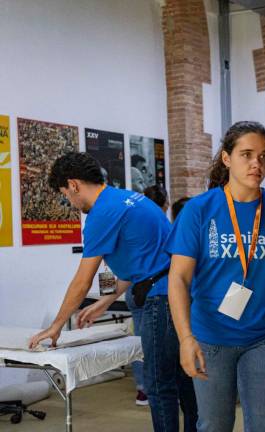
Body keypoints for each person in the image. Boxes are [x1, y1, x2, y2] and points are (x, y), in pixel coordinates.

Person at [29, 152, 198, 430]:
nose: (70, 203)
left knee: (159, 385)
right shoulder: (127, 198)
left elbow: (82, 280)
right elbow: (134, 264)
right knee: (183, 377)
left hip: (159, 300)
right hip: (168, 291)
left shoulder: (102, 213)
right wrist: (105, 301)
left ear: (73, 185)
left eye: (66, 195)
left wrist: (57, 325)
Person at [166, 121, 265, 432]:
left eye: (263, 156)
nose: (256, 164)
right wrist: (185, 338)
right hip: (210, 337)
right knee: (213, 425)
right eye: (246, 154)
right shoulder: (199, 211)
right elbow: (178, 279)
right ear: (226, 158)